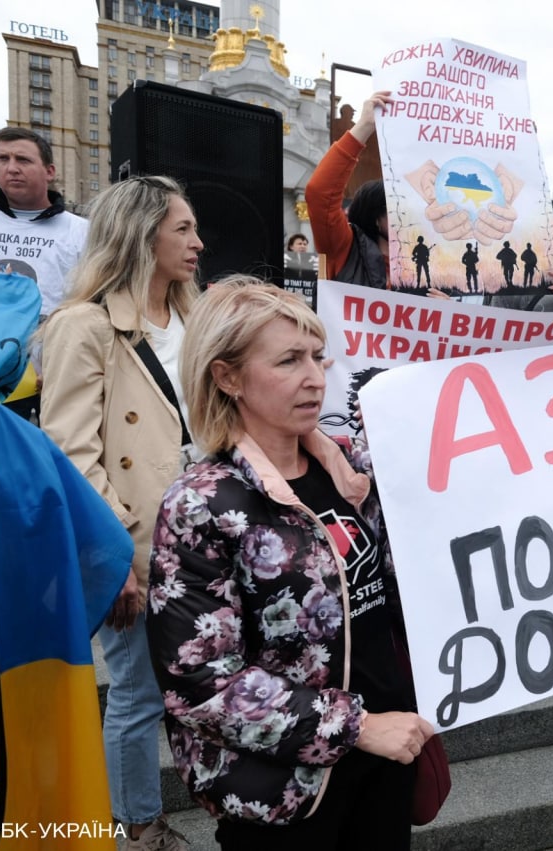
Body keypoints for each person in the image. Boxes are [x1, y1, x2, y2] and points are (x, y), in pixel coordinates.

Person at [145, 280, 434, 848]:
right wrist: (356, 728)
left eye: (317, 356)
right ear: (227, 377)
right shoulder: (201, 503)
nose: (315, 377)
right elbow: (200, 684)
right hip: (282, 793)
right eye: (288, 360)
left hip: (390, 756)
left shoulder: (351, 471)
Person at [39, 176, 201, 851]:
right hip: (132, 544)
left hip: (203, 539)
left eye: (195, 229)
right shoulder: (85, 325)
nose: (197, 243)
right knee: (135, 696)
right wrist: (111, 561)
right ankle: (141, 827)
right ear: (141, 235)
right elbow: (71, 450)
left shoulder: (197, 317)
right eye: (183, 229)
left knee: (200, 679)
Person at [0, 127, 89, 319]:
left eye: (23, 159)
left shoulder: (83, 232)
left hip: (52, 347)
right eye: (2, 159)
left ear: (49, 172)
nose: (12, 168)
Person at [306, 91, 392, 287]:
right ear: (376, 218)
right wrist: (364, 126)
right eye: (397, 208)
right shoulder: (346, 250)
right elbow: (319, 193)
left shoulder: (428, 266)